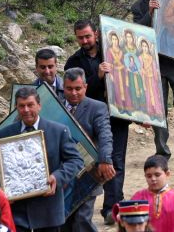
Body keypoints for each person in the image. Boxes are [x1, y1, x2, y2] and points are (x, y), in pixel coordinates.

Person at [65, 19, 130, 225]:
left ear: (96, 33)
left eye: (88, 36)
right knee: (88, 161)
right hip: (89, 120)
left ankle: (112, 207)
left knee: (114, 161)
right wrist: (98, 76)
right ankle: (80, 204)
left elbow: (129, 79)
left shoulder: (112, 52)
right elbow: (76, 93)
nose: (84, 40)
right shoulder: (73, 62)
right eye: (80, 37)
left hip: (117, 116)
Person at [0, 87, 83, 232]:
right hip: (16, 211)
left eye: (30, 105)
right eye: (22, 106)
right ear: (16, 108)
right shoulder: (3, 135)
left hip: (48, 211)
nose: (26, 110)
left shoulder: (59, 131)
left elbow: (76, 161)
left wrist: (57, 177)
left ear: (39, 106)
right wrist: (1, 192)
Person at [131, 0, 174, 160]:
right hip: (154, 63)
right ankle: (162, 150)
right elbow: (138, 32)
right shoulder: (138, 7)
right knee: (158, 107)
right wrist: (150, 13)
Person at [62, 68, 115, 232]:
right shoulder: (53, 105)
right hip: (62, 175)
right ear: (63, 87)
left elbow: (105, 135)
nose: (74, 93)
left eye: (78, 88)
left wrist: (105, 159)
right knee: (65, 223)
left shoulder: (97, 108)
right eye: (69, 88)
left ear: (85, 86)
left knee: (82, 220)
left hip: (88, 174)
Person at [114, 155, 174, 232]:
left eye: (157, 175)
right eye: (149, 176)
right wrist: (119, 214)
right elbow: (127, 217)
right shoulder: (139, 197)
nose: (153, 179)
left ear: (167, 174)